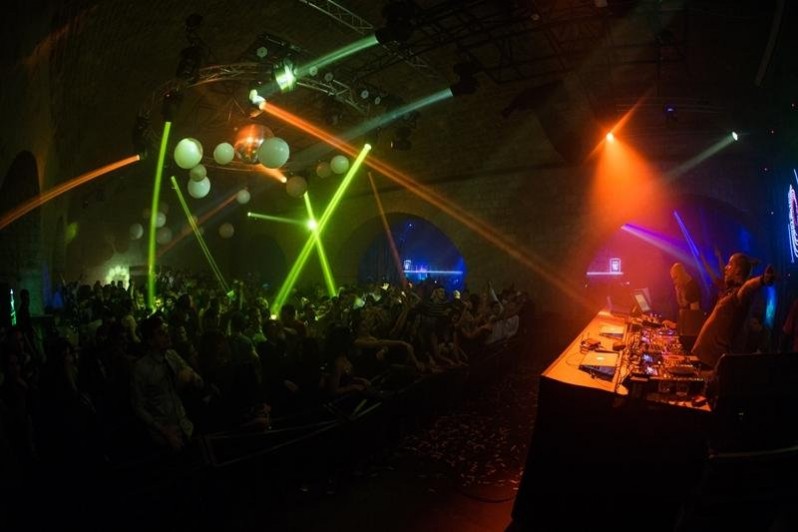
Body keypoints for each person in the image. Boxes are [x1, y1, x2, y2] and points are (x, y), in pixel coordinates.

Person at [131, 316, 204, 451]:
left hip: (185, 426)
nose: (167, 335)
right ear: (150, 341)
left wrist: (190, 375)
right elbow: (138, 407)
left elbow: (199, 381)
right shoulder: (141, 368)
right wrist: (163, 430)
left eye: (166, 330)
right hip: (162, 435)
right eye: (160, 333)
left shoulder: (172, 355)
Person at [692, 253, 775, 369]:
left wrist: (761, 280)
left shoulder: (739, 294)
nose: (726, 268)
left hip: (714, 364)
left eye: (730, 264)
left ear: (738, 271)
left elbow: (746, 288)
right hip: (706, 360)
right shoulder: (729, 292)